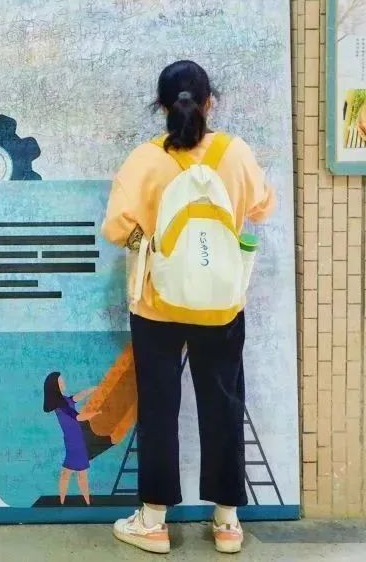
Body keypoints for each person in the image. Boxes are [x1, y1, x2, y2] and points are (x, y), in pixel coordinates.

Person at [102, 60, 275, 555]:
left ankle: (154, 521)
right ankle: (227, 523)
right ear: (209, 102)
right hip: (221, 303)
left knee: (159, 406)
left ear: (161, 106)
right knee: (223, 402)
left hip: (157, 303)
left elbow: (116, 227)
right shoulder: (236, 153)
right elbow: (262, 208)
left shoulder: (145, 159)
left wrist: (154, 248)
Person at [42, 371, 96, 505]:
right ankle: (77, 502)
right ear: (55, 386)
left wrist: (92, 390)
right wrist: (96, 413)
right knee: (75, 473)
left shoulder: (64, 400)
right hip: (74, 442)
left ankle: (71, 501)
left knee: (70, 473)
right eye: (61, 381)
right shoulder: (61, 404)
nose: (63, 383)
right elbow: (78, 417)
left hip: (76, 439)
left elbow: (77, 397)